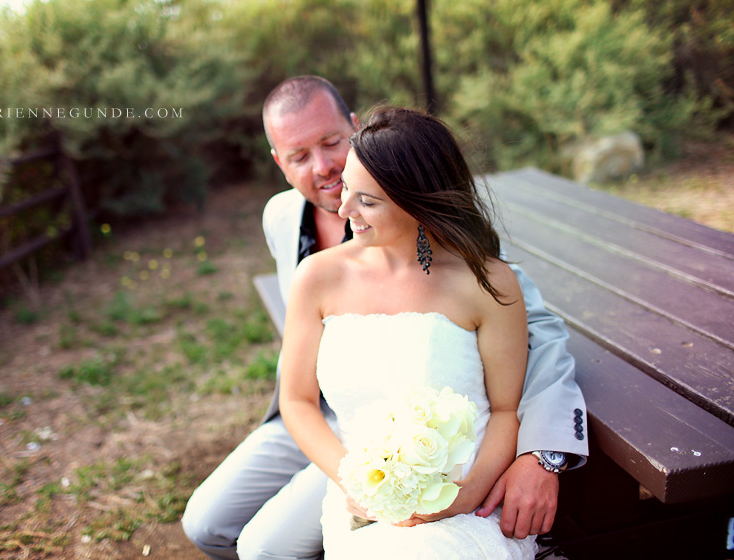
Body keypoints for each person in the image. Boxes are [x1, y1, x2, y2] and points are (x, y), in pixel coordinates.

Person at [182, 76, 588, 560]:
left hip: (440, 448)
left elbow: (535, 342)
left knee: (266, 548)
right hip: (334, 414)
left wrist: (539, 455)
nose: (326, 171)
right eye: (299, 156)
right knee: (208, 525)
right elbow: (298, 395)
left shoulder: (469, 262)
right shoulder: (284, 220)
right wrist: (355, 475)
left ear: (354, 132)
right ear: (279, 163)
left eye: (332, 143)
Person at [281, 105, 537, 558]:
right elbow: (297, 401)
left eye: (368, 200)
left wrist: (468, 493)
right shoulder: (316, 278)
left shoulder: (489, 283)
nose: (344, 209)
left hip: (468, 509)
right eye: (346, 189)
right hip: (362, 502)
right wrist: (356, 483)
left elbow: (504, 409)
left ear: (418, 202)